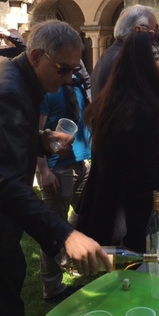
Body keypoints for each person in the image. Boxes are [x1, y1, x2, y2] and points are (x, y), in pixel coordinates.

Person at [0, 21, 110, 316]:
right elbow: (4, 183)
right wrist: (64, 235)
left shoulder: (19, 80)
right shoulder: (10, 90)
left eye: (73, 70)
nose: (65, 78)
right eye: (61, 69)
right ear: (36, 56)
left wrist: (37, 140)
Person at [77, 32, 159, 252]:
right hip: (130, 224)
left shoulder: (121, 99)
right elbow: (147, 178)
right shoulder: (139, 110)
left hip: (109, 211)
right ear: (152, 63)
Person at [36, 67, 92, 302]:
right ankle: (52, 287)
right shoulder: (47, 91)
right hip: (56, 167)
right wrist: (43, 171)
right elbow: (35, 132)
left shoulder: (78, 85)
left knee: (81, 215)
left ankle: (67, 257)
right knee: (52, 226)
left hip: (82, 162)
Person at [90, 4, 159, 100]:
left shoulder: (109, 54)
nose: (154, 39)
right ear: (138, 30)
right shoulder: (127, 59)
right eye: (152, 33)